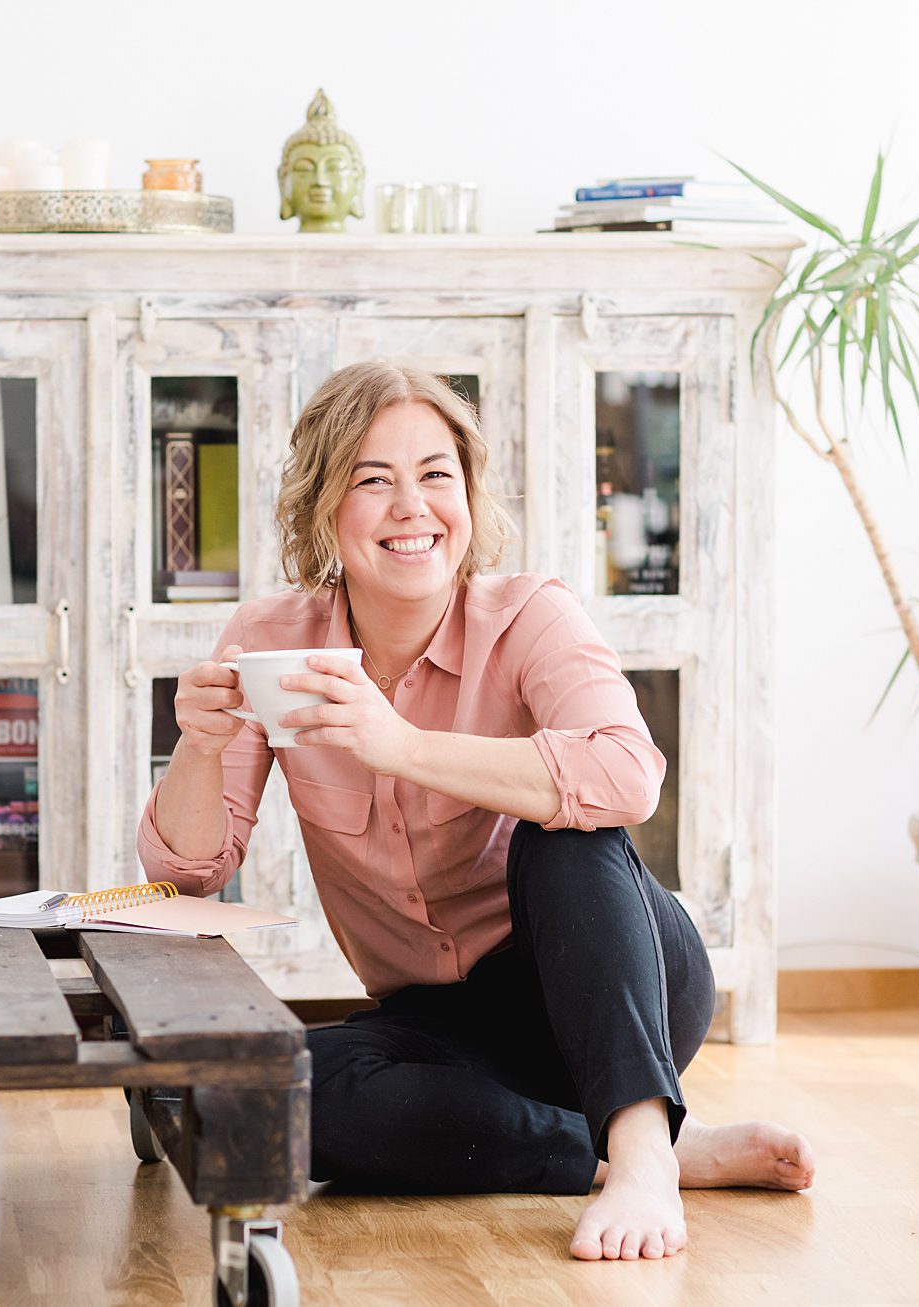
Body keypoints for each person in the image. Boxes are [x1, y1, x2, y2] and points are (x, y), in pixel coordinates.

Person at [137, 361, 814, 1261]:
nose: (411, 506)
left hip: (612, 976)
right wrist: (199, 743)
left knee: (565, 833)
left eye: (435, 475)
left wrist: (402, 744)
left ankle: (642, 1141)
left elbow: (628, 774)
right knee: (272, 1094)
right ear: (324, 506)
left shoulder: (530, 615)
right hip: (446, 1023)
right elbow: (187, 872)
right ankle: (638, 1151)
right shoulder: (269, 642)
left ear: (467, 494)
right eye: (373, 480)